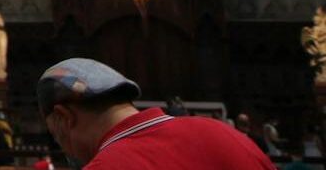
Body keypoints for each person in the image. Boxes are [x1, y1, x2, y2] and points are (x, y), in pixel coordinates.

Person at [37, 57, 277, 169]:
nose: (66, 151)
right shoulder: (224, 134)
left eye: (56, 137)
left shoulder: (104, 167)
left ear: (65, 118)